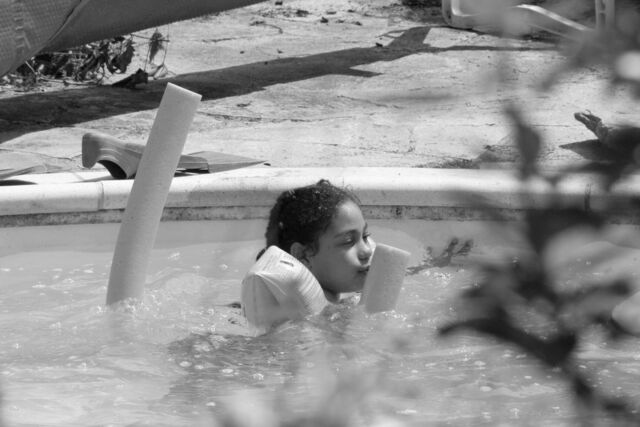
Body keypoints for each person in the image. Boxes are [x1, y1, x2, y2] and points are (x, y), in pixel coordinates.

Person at [258, 179, 374, 303]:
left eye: (365, 236)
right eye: (348, 240)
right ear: (303, 255)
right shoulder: (296, 314)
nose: (367, 251)